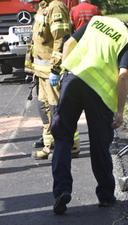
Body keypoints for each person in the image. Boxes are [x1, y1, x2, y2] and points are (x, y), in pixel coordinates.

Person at [51, 12, 128, 214]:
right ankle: (106, 196)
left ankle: (61, 191)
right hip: (99, 95)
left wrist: (64, 75)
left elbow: (68, 45)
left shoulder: (97, 21)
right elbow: (124, 76)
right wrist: (120, 111)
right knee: (99, 145)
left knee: (62, 138)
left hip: (73, 81)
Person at [26, 0, 80, 160]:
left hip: (52, 70)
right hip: (42, 72)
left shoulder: (55, 7)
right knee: (45, 108)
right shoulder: (42, 9)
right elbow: (38, 41)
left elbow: (61, 40)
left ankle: (68, 146)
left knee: (58, 109)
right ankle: (50, 146)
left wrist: (56, 69)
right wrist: (34, 68)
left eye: (32, 2)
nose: (31, 5)